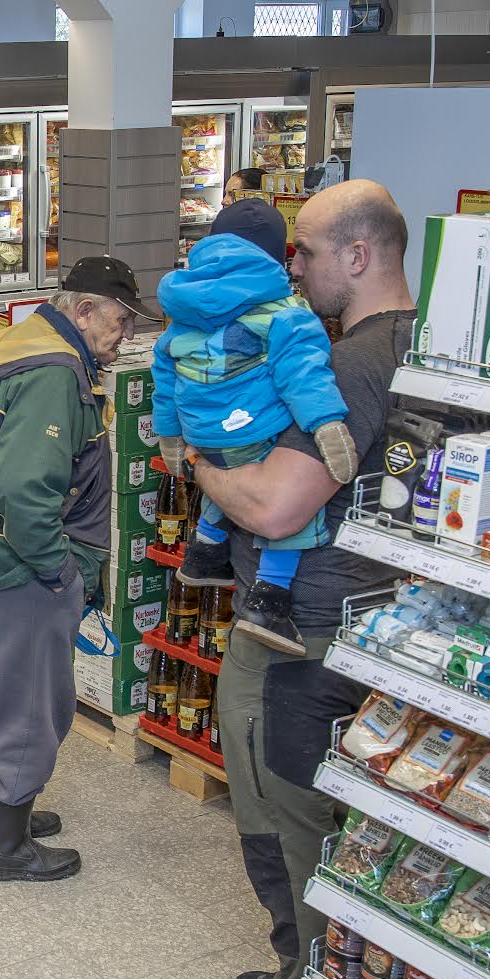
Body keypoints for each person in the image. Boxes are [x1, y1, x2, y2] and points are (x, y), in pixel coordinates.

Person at [186, 179, 416, 979]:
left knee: (285, 827)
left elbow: (278, 506)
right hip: (367, 621)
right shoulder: (419, 341)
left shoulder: (352, 365)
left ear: (357, 256)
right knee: (321, 824)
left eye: (308, 251)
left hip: (298, 638)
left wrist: (205, 470)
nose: (295, 267)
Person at [0, 256, 155, 882]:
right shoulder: (55, 375)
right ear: (84, 311)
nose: (123, 338)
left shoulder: (25, 351)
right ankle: (6, 848)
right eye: (119, 323)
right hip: (23, 575)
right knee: (32, 707)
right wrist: (60, 571)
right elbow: (23, 489)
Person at [156, 198, 357, 657]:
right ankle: (270, 597)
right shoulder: (286, 313)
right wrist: (327, 425)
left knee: (226, 481)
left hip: (201, 433)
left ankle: (206, 548)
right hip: (251, 430)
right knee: (290, 510)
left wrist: (171, 437)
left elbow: (162, 378)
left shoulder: (182, 313)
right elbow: (304, 375)